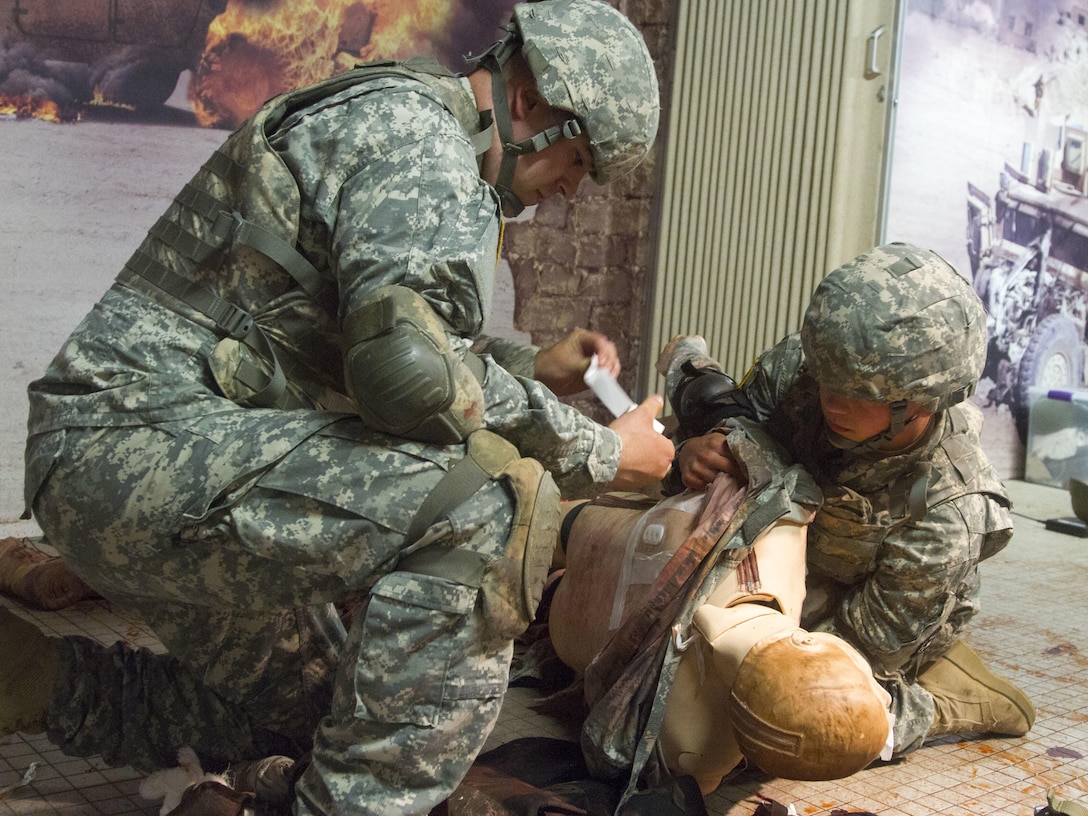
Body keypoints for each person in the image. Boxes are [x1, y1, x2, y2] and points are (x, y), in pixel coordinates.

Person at [5, 1, 674, 814]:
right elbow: (406, 376)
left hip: (131, 450)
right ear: (531, 101)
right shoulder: (422, 143)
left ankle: (38, 681)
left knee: (329, 715)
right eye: (577, 159)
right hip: (134, 451)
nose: (570, 188)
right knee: (488, 509)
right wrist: (603, 453)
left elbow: (376, 338)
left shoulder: (409, 123)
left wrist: (535, 367)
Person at [656, 242, 1035, 760]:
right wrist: (688, 455)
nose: (831, 400)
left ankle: (947, 698)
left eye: (859, 393)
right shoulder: (816, 368)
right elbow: (735, 423)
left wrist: (763, 667)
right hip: (779, 551)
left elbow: (853, 652)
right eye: (827, 381)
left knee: (803, 710)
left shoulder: (949, 510)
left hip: (859, 609)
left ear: (920, 403)